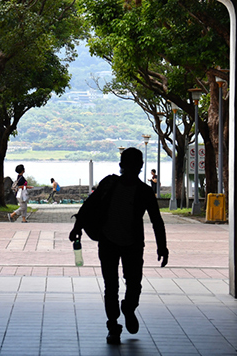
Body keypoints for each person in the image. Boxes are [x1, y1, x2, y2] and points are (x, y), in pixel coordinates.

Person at [69, 147, 168, 345]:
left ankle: (128, 309)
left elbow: (157, 220)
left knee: (128, 285)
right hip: (109, 242)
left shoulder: (144, 192)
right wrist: (77, 226)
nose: (130, 168)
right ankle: (113, 325)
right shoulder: (110, 184)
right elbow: (90, 204)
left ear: (137, 167)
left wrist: (162, 247)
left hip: (132, 244)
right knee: (114, 285)